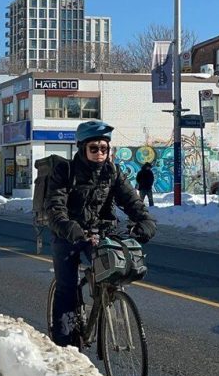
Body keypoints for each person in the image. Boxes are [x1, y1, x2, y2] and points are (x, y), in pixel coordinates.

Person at [44, 120, 157, 347]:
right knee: (67, 288)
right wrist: (71, 229)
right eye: (94, 148)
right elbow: (55, 209)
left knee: (113, 270)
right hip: (68, 235)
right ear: (82, 148)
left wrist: (145, 222)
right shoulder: (64, 171)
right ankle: (64, 347)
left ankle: (101, 297)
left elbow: (132, 202)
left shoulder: (112, 172)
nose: (99, 153)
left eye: (104, 148)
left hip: (100, 234)